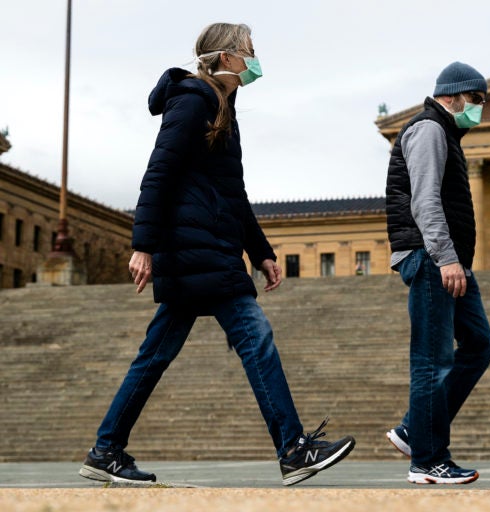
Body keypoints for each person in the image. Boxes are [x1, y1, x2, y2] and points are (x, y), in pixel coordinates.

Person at [78, 22, 354, 487]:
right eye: (250, 50)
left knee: (155, 356)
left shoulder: (220, 106)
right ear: (227, 58)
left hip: (207, 251)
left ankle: (106, 450)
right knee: (255, 338)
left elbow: (232, 194)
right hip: (196, 252)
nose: (255, 58)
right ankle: (292, 449)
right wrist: (142, 245)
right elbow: (158, 172)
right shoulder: (193, 101)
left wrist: (262, 252)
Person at [384, 61, 490, 484]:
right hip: (433, 258)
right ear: (454, 96)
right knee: (432, 359)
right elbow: (424, 201)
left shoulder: (446, 132)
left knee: (478, 344)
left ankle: (416, 428)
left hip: (449, 261)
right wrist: (447, 258)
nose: (479, 108)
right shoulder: (430, 129)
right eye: (477, 99)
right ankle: (427, 461)